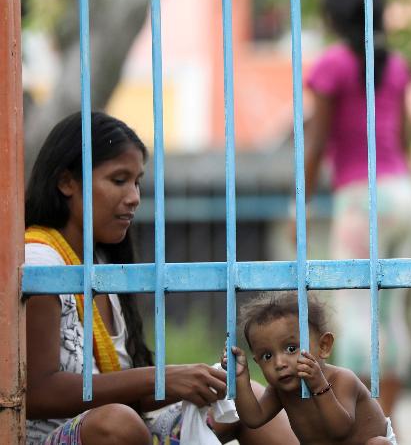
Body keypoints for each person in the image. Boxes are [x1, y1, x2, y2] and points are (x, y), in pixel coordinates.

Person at [24, 112, 296, 444]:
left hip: (125, 422)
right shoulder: (40, 260)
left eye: (137, 181)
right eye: (119, 180)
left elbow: (118, 391)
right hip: (59, 436)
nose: (135, 196)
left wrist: (190, 380)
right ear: (67, 182)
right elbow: (37, 393)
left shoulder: (101, 267)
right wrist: (160, 379)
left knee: (242, 395)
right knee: (117, 423)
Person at [303, 0, 411, 418]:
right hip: (404, 193)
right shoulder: (395, 64)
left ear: (333, 15)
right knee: (391, 313)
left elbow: (316, 143)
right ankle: (387, 421)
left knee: (354, 312)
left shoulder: (332, 65)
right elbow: (406, 137)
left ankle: (360, 420)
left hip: (362, 197)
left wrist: (303, 199)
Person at [224, 292, 397, 444]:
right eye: (267, 356)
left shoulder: (342, 380)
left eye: (291, 349)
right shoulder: (280, 390)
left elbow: (341, 430)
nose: (279, 363)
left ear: (324, 346)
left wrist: (319, 387)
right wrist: (240, 378)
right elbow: (254, 418)